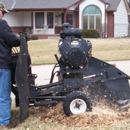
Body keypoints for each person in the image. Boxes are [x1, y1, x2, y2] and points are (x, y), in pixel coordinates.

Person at [0, 2, 20, 129]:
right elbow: (12, 40)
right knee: (4, 95)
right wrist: (22, 39)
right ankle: (5, 122)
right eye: (3, 12)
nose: (3, 15)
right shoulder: (1, 24)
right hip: (2, 65)